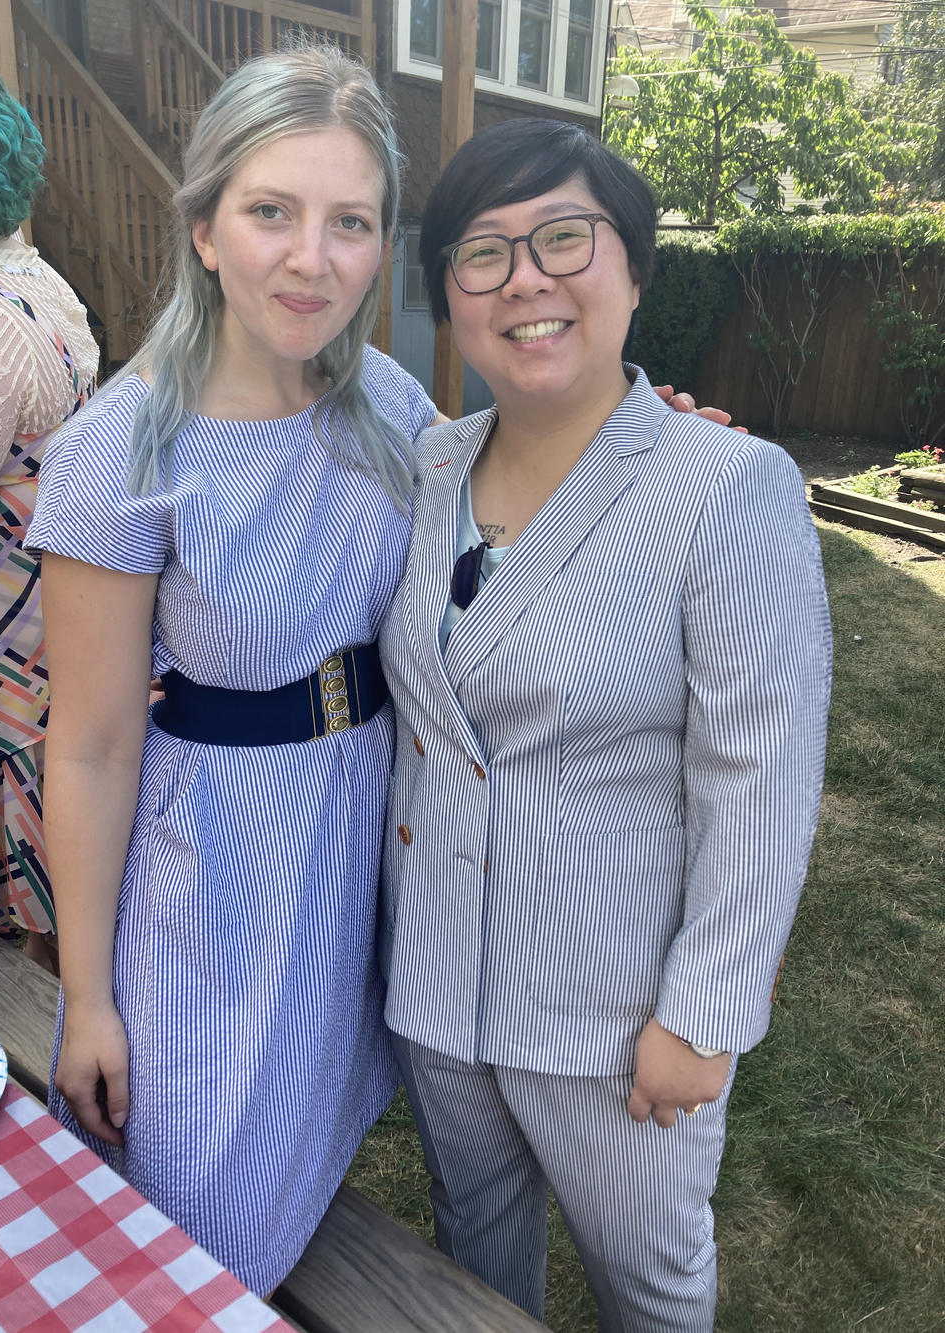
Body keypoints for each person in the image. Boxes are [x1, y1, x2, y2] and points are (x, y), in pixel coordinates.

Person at [378, 119, 832, 1332]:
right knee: (469, 1254)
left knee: (648, 1281)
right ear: (449, 302)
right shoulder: (425, 468)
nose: (525, 278)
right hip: (437, 982)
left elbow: (762, 779)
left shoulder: (727, 485)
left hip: (616, 1013)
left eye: (564, 238)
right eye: (482, 253)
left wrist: (705, 1017)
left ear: (633, 270)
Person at [23, 46, 440, 1294]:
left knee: (304, 1179)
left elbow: (519, 523)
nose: (313, 259)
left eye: (349, 222)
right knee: (196, 1218)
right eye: (272, 212)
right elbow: (90, 746)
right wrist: (89, 999)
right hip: (217, 880)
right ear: (205, 227)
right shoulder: (124, 450)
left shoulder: (392, 407)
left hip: (358, 841)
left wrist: (657, 446)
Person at [0, 54, 99, 969]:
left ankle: (37, 1100)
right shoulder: (31, 279)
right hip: (39, 649)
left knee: (22, 949)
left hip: (1, 679)